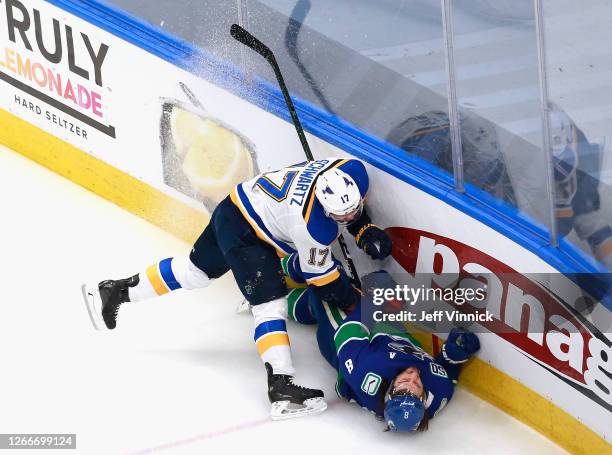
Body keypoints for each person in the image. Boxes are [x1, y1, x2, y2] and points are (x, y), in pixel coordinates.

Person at [82, 156, 393, 420]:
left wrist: (363, 228)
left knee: (195, 272)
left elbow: (352, 212)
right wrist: (356, 302)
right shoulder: (312, 227)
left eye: (354, 208)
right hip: (248, 234)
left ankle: (117, 291)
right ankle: (281, 387)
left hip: (232, 206)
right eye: (343, 215)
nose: (349, 215)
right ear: (326, 210)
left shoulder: (350, 170)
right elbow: (324, 282)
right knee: (269, 303)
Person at [280, 255, 480, 431]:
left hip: (341, 340)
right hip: (386, 334)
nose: (412, 377)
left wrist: (374, 301)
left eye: (402, 384)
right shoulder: (437, 396)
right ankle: (300, 302)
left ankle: (271, 276)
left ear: (389, 391)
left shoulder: (367, 372)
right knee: (359, 289)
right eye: (417, 386)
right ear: (423, 400)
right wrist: (453, 356)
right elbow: (446, 374)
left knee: (327, 275)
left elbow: (348, 332)